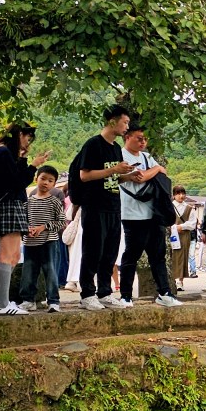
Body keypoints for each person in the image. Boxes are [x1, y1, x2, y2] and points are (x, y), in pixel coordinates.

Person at [71, 105, 137, 312]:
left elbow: (113, 177)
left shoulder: (116, 147)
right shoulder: (93, 144)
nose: (127, 126)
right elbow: (85, 175)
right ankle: (87, 294)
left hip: (113, 205)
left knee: (109, 252)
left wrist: (127, 176)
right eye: (125, 122)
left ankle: (105, 292)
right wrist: (114, 169)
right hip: (94, 205)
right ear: (112, 121)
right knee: (92, 250)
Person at [0, 122, 47, 315]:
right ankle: (3, 305)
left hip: (8, 206)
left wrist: (22, 160)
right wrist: (33, 166)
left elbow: (13, 177)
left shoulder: (0, 152)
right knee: (8, 254)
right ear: (19, 134)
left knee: (13, 255)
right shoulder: (2, 153)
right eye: (27, 137)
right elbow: (17, 182)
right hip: (9, 205)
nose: (28, 142)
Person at [117, 126, 182, 308]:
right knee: (132, 255)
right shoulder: (120, 157)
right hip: (132, 213)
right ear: (127, 137)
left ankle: (164, 292)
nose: (143, 142)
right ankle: (126, 296)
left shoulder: (146, 157)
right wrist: (156, 168)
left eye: (145, 139)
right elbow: (139, 177)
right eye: (139, 138)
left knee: (158, 256)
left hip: (154, 212)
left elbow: (162, 174)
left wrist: (154, 170)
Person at [17, 165, 66, 312]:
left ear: (54, 184)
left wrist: (44, 227)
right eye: (43, 178)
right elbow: (23, 221)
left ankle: (53, 301)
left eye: (50, 180)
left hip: (49, 242)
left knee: (50, 271)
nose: (45, 183)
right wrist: (27, 229)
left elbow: (62, 222)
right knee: (29, 271)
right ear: (36, 179)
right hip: (30, 242)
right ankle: (28, 300)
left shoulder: (54, 202)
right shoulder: (29, 202)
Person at [171, 186, 201, 290]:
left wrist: (182, 226)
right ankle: (171, 280)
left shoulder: (189, 208)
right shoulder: (170, 207)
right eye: (178, 193)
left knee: (182, 257)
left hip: (184, 235)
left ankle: (180, 281)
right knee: (172, 257)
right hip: (172, 235)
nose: (181, 196)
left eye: (183, 193)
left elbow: (193, 223)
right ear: (174, 195)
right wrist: (173, 228)